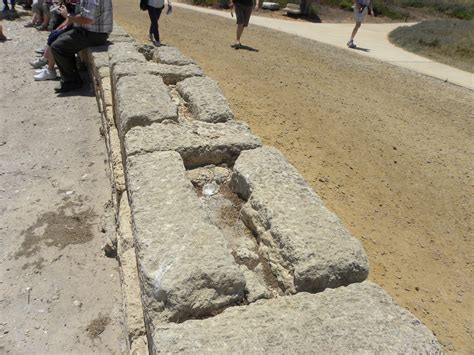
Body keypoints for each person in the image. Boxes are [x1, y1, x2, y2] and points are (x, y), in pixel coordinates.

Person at [51, 0, 113, 93]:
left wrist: (67, 15)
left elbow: (87, 19)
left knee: (57, 47)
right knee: (59, 40)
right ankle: (72, 77)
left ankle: (72, 81)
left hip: (93, 34)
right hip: (88, 31)